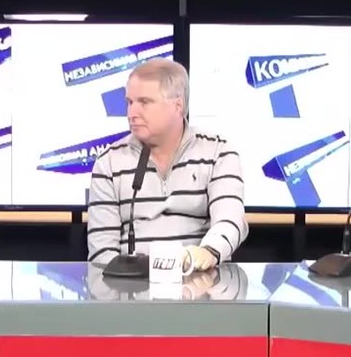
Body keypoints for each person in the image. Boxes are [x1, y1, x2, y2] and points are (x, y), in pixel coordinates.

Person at [87, 58, 249, 271]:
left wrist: (207, 253)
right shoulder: (108, 162)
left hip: (200, 281)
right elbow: (101, 254)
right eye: (130, 102)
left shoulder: (218, 151)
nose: (132, 113)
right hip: (131, 285)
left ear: (177, 105)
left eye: (144, 102)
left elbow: (230, 221)